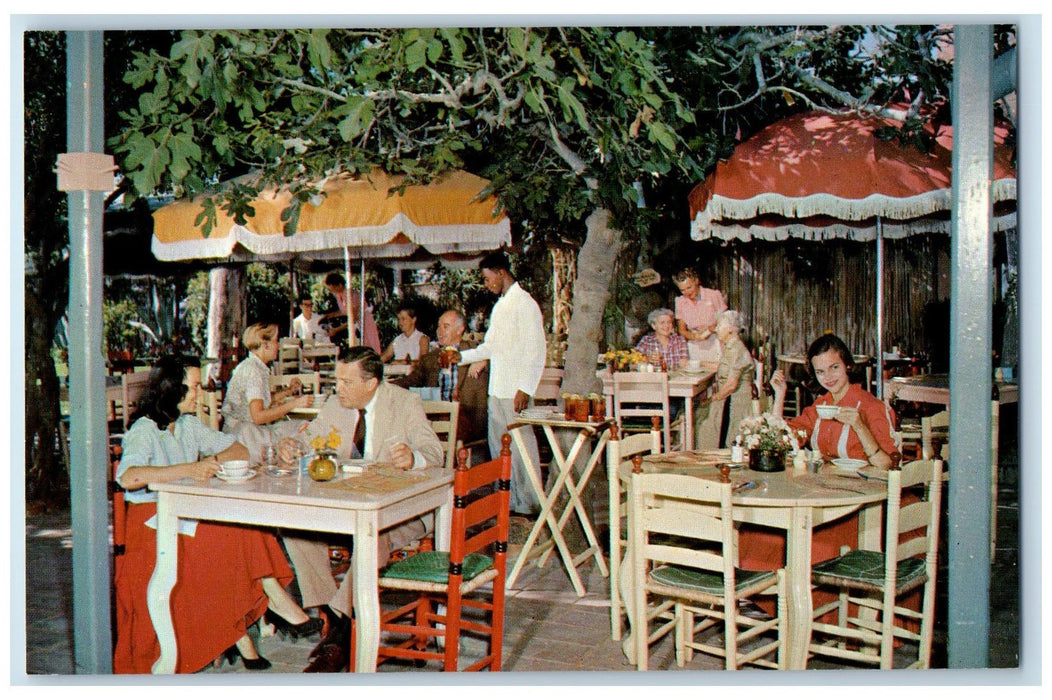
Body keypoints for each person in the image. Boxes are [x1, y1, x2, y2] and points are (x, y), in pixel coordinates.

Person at [113, 355, 320, 674]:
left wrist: (213, 464)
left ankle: (275, 601)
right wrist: (190, 469)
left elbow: (239, 450)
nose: (201, 392)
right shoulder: (145, 430)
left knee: (247, 524)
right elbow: (128, 477)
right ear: (172, 390)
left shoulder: (187, 425)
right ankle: (274, 605)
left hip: (182, 514)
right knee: (232, 532)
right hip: (150, 524)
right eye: (194, 387)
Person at [277, 345, 444, 672]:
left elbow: (433, 452)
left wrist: (413, 457)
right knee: (294, 529)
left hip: (400, 512)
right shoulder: (336, 404)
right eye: (337, 380)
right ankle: (334, 612)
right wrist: (292, 446)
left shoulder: (403, 403)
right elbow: (310, 438)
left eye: (347, 382)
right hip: (347, 507)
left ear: (372, 384)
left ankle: (338, 632)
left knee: (373, 539)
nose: (339, 388)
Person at [739, 332, 900, 618]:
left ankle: (811, 614)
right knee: (762, 526)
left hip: (866, 504)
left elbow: (887, 465)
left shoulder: (872, 406)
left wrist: (860, 427)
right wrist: (780, 398)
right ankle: (769, 600)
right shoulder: (822, 406)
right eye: (820, 370)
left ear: (848, 365)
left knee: (810, 537)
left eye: (834, 367)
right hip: (828, 493)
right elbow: (786, 437)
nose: (828, 376)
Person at [451, 251, 546, 516]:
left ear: (501, 273)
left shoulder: (525, 304)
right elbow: (490, 347)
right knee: (500, 447)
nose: (486, 284)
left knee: (523, 448)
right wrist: (459, 356)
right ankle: (508, 502)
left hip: (516, 390)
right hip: (498, 389)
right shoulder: (501, 305)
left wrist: (526, 387)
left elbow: (536, 349)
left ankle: (531, 504)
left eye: (487, 278)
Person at [393, 308, 489, 447]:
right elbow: (411, 380)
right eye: (439, 326)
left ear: (460, 330)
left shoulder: (475, 351)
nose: (440, 331)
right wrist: (384, 385)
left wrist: (484, 359)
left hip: (466, 414)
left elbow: (499, 358)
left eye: (446, 326)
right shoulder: (431, 358)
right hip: (436, 413)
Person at [221, 322, 314, 461]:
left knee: (302, 427)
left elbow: (259, 400)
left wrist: (288, 391)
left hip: (245, 431)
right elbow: (258, 416)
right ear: (265, 345)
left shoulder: (253, 366)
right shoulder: (253, 372)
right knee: (303, 429)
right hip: (244, 437)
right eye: (276, 341)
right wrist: (294, 404)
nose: (279, 346)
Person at [694, 310, 755, 448]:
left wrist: (711, 399)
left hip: (736, 403)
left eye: (719, 326)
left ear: (730, 330)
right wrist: (701, 363)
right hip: (729, 399)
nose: (716, 330)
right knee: (702, 416)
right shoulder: (731, 346)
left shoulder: (735, 349)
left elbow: (731, 385)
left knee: (703, 420)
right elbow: (724, 367)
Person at [672, 267, 727, 364]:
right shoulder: (680, 301)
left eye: (689, 287)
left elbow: (725, 321)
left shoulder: (713, 295)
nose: (687, 292)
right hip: (694, 344)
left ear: (697, 281)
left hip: (715, 341)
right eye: (682, 290)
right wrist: (694, 336)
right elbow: (682, 330)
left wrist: (710, 329)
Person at [320, 272, 381, 353]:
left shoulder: (351, 294)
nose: (332, 291)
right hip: (357, 325)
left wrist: (336, 330)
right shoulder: (338, 295)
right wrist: (331, 315)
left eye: (333, 288)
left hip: (366, 322)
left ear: (340, 285)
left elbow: (353, 317)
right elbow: (345, 311)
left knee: (372, 347)